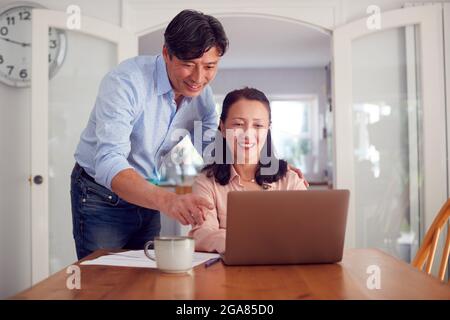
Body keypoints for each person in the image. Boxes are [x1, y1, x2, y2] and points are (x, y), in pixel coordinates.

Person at [189, 87, 308, 254]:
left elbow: (307, 232)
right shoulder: (207, 182)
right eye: (238, 124)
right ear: (222, 128)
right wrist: (243, 242)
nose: (248, 134)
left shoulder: (290, 180)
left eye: (258, 125)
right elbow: (201, 234)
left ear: (268, 130)